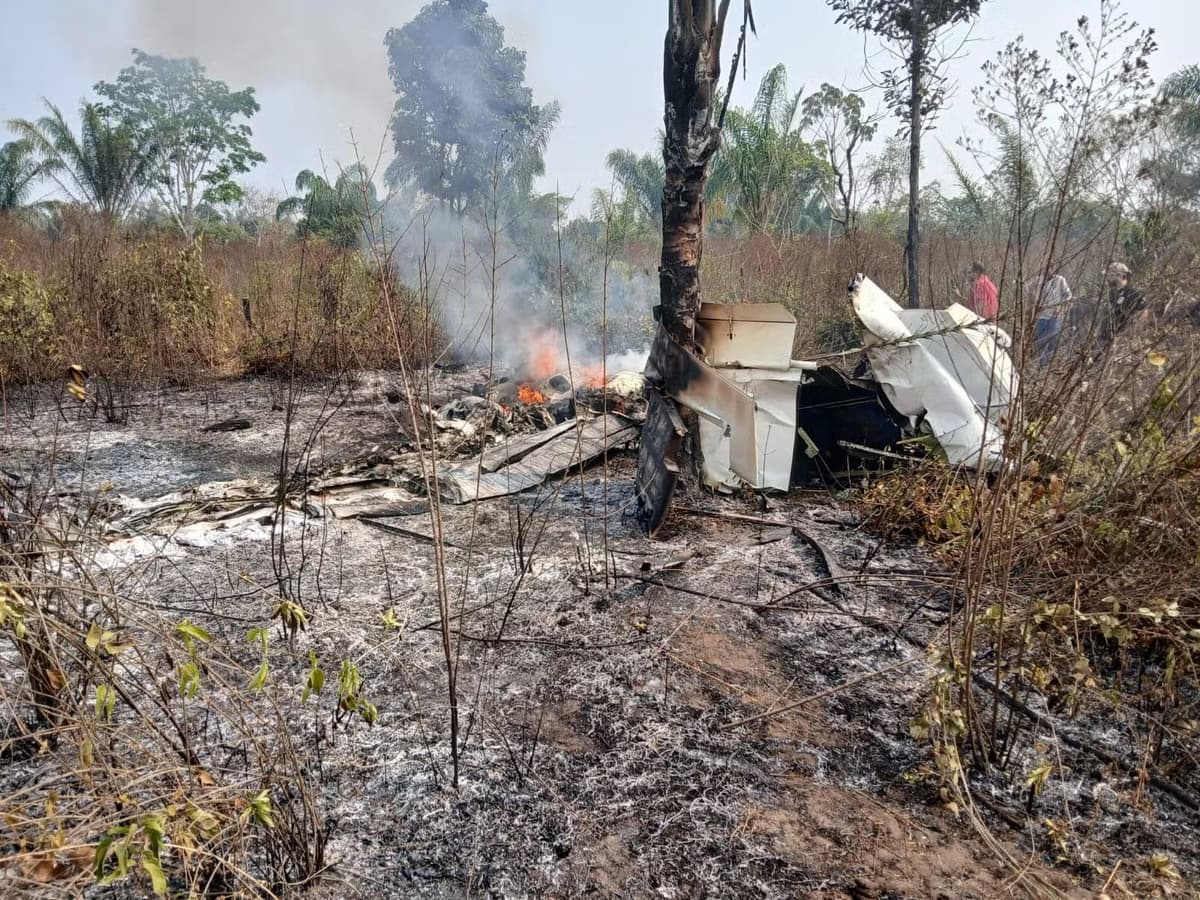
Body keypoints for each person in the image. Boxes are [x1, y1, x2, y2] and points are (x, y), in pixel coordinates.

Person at [1095, 262, 1146, 356]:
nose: (1108, 278)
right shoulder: (1109, 295)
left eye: (1111, 274)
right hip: (1103, 339)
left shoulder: (1133, 294)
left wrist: (1129, 335)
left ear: (1120, 275)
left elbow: (1143, 315)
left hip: (1122, 341)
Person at [1033, 274, 1071, 366]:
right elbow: (1027, 289)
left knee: (1053, 340)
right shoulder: (1038, 280)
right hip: (1041, 316)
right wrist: (1033, 303)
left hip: (1055, 316)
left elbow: (1068, 295)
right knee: (1041, 342)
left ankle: (1053, 365)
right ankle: (1043, 366)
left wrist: (1060, 306)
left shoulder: (1060, 280)